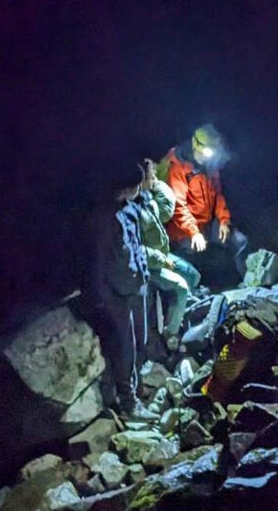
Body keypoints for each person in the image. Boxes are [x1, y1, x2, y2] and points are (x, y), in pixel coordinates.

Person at [84, 164, 159, 421]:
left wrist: (144, 277)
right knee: (125, 347)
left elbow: (135, 246)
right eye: (136, 184)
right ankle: (128, 403)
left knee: (140, 340)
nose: (140, 187)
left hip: (136, 284)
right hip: (116, 292)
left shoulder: (130, 209)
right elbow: (97, 260)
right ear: (124, 187)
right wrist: (99, 296)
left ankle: (137, 390)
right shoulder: (104, 218)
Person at [161, 124, 250, 278]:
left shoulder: (209, 166)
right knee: (188, 262)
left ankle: (250, 281)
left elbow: (218, 194)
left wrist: (224, 220)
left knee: (240, 241)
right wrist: (194, 232)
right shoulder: (178, 168)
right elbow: (179, 206)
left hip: (208, 223)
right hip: (184, 230)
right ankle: (191, 292)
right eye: (207, 152)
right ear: (196, 145)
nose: (210, 157)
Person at [136, 158, 202, 350]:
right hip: (148, 263)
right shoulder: (135, 210)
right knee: (181, 287)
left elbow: (166, 211)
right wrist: (160, 260)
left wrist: (157, 185)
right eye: (151, 175)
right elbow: (134, 248)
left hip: (162, 254)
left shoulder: (148, 199)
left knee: (192, 274)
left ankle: (180, 309)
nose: (155, 177)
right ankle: (170, 335)